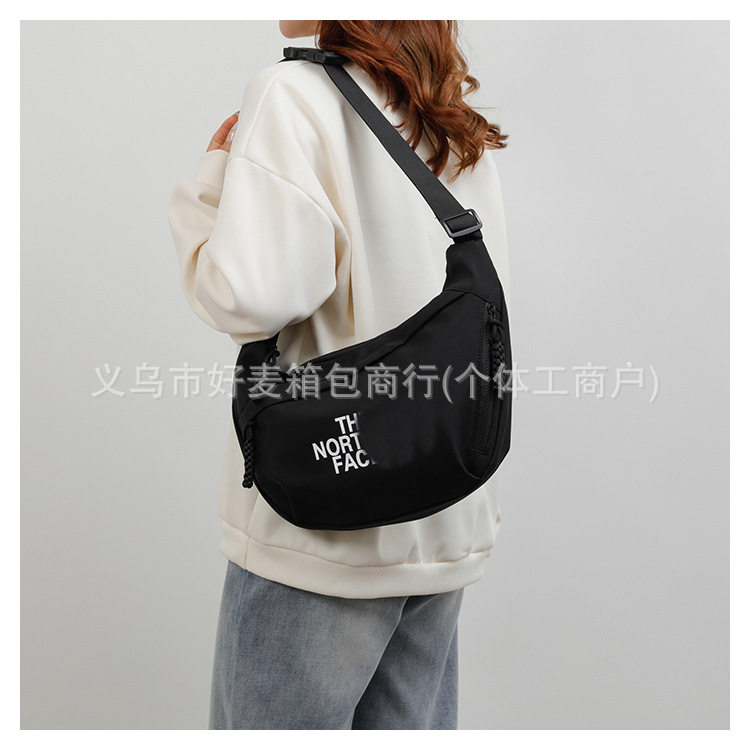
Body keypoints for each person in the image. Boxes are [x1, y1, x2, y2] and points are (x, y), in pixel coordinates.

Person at [168, 20, 511, 730]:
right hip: (443, 509)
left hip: (325, 524)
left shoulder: (293, 92)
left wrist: (207, 190)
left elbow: (248, 298)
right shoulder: (445, 110)